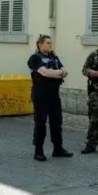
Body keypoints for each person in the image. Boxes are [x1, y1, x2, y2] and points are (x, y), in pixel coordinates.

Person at [27, 34, 73, 162]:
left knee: (57, 122)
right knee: (41, 122)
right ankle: (39, 151)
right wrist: (58, 73)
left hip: (54, 93)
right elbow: (44, 72)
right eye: (47, 43)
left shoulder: (54, 57)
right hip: (41, 94)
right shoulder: (35, 58)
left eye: (51, 43)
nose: (50, 45)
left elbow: (65, 71)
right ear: (39, 44)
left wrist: (58, 73)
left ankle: (58, 149)